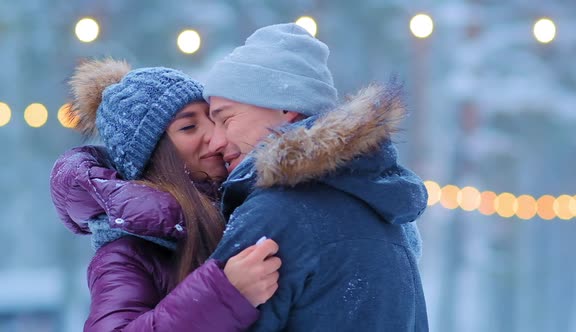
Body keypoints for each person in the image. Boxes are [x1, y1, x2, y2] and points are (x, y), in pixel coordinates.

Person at [202, 23, 429, 331]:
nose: (215, 141)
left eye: (225, 118)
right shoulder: (383, 209)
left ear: (287, 109)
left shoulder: (278, 213)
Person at [49, 59, 281, 331]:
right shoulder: (125, 252)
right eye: (188, 127)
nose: (215, 136)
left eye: (214, 119)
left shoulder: (241, 203)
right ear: (151, 156)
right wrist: (223, 293)